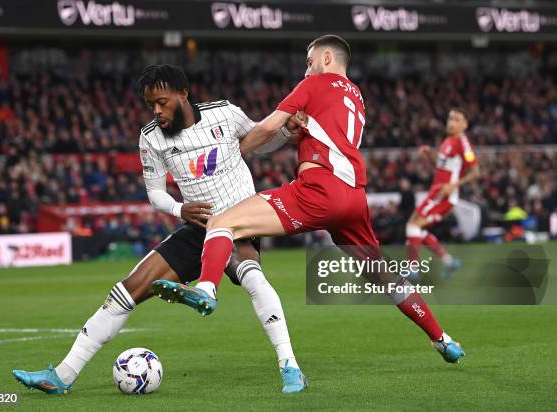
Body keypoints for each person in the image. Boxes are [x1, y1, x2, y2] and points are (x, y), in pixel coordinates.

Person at [153, 35, 466, 368]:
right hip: (354, 198)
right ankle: (442, 339)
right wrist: (297, 129)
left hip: (318, 191)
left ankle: (206, 289)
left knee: (222, 221)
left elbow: (266, 127)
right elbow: (320, 134)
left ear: (327, 58)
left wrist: (234, 152)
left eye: (308, 61)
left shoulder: (315, 84)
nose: (306, 69)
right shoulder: (357, 99)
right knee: (382, 273)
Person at [12, 64, 307, 395]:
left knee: (252, 277)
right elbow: (154, 193)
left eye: (162, 102)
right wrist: (180, 209)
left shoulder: (224, 114)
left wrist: (285, 132)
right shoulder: (151, 138)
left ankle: (290, 368)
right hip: (197, 226)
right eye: (150, 104)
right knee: (126, 290)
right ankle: (61, 375)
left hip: (239, 222)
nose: (156, 111)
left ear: (183, 94)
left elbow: (256, 140)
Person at [406, 108, 481, 279]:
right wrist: (430, 154)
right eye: (450, 118)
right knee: (418, 229)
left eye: (456, 119)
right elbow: (440, 167)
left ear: (464, 124)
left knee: (413, 226)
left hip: (444, 195)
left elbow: (476, 172)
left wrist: (454, 185)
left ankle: (413, 270)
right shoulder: (447, 141)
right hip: (436, 191)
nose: (451, 122)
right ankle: (449, 261)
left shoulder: (463, 143)